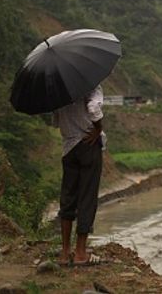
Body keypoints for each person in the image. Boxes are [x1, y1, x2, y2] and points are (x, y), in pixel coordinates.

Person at [53, 84, 107, 266]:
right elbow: (93, 108)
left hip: (68, 149)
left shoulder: (58, 90)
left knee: (68, 197)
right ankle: (80, 253)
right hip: (88, 145)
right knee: (87, 197)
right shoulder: (90, 85)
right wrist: (98, 128)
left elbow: (55, 121)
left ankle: (65, 251)